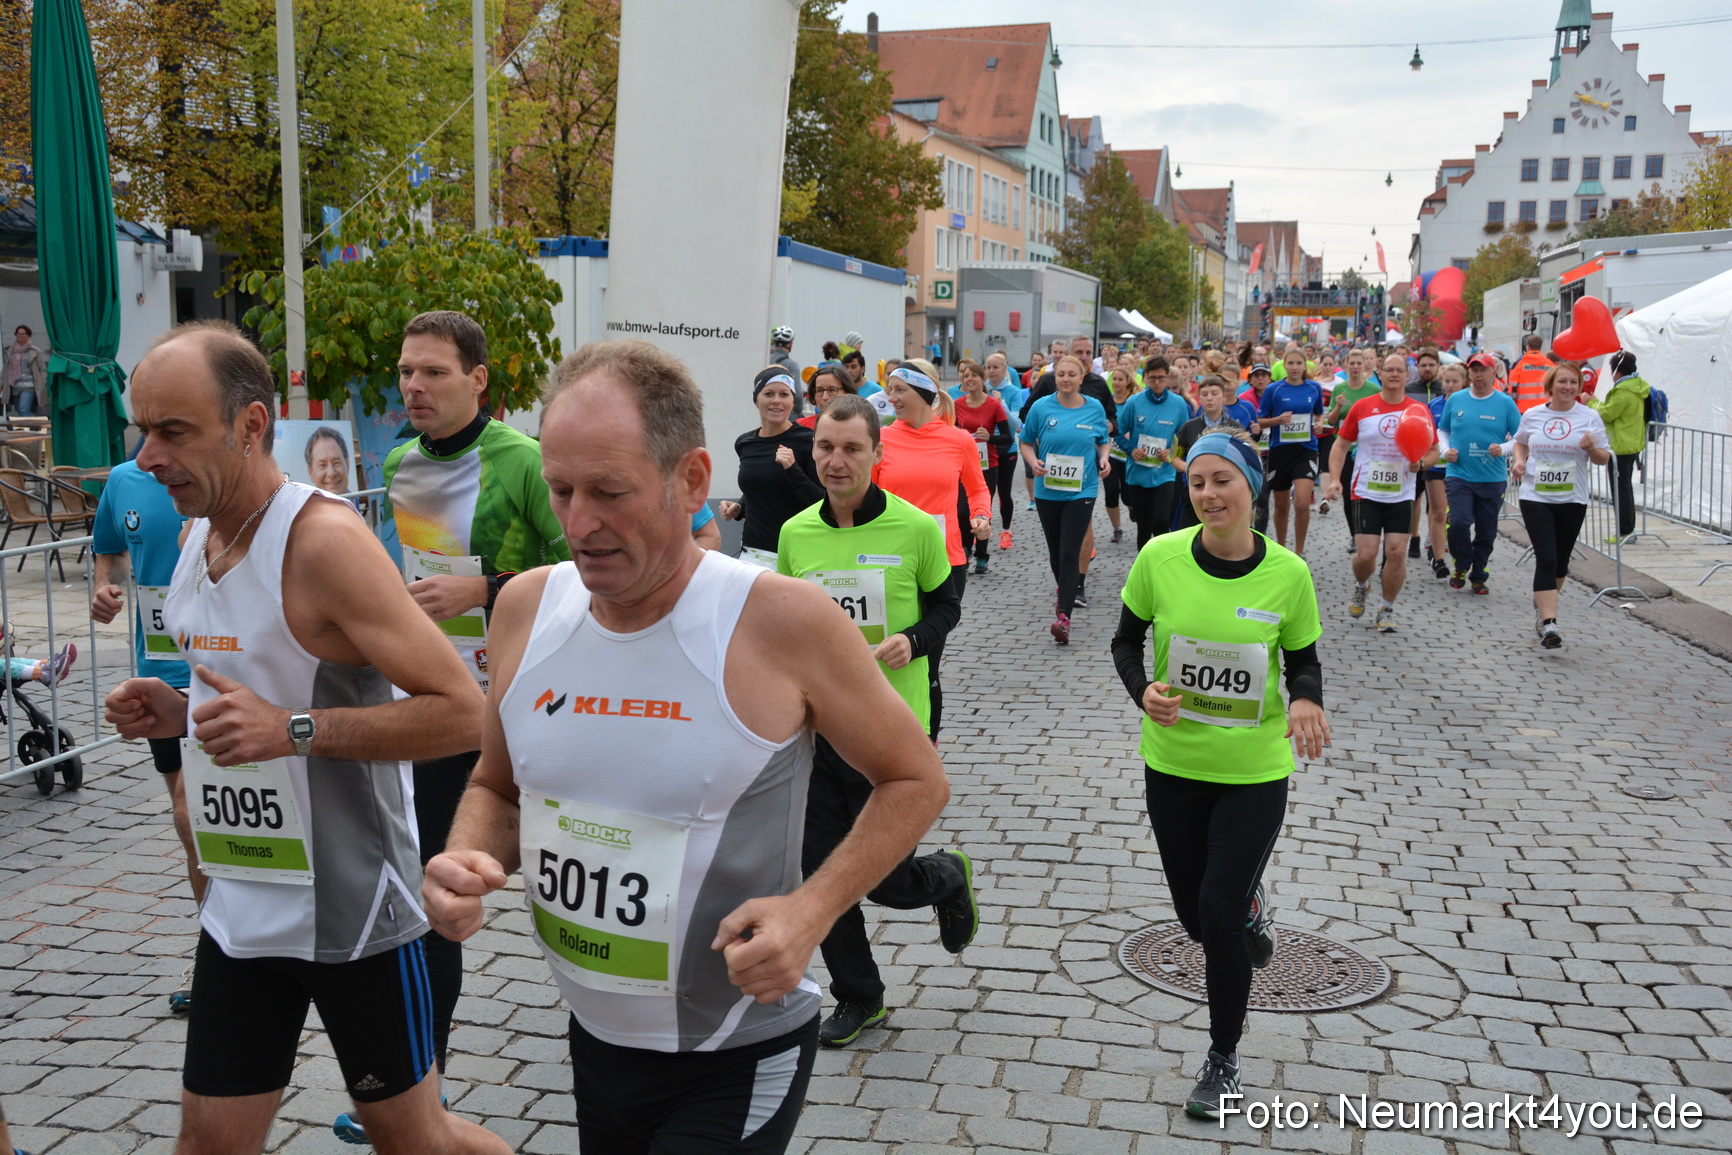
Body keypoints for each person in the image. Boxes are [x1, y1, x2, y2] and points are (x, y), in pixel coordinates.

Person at [420, 340, 951, 1153]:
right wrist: (466, 856)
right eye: (561, 489)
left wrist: (810, 911)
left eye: (611, 491)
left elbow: (916, 777)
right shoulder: (525, 608)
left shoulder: (780, 619)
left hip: (736, 1048)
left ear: (693, 480)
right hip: (595, 1038)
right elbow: (497, 785)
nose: (579, 523)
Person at [103, 319, 502, 1155]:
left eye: (173, 431)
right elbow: (253, 685)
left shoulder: (322, 541)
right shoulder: (197, 532)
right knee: (208, 1145)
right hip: (243, 903)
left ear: (251, 424)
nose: (147, 457)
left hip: (351, 909)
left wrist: (292, 730)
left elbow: (461, 710)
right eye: (142, 430)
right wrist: (177, 711)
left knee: (416, 1142)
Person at [363, 311, 571, 1140]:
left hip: (519, 706)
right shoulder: (397, 463)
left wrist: (484, 590)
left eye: (434, 372)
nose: (413, 386)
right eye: (406, 371)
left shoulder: (521, 460)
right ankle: (426, 1089)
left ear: (478, 379)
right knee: (427, 891)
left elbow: (579, 568)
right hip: (430, 706)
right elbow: (405, 580)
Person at [1111, 432, 1329, 1121]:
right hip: (1173, 764)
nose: (1208, 494)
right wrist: (1143, 689)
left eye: (1223, 481)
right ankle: (1249, 910)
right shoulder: (1159, 557)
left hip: (1253, 772)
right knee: (1195, 916)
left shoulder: (1288, 573)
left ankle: (1223, 1059)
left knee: (1217, 910)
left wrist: (1306, 699)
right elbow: (1124, 641)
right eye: (1198, 482)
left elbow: (1304, 661)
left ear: (1251, 489)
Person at [777, 394, 977, 1047]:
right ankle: (859, 996)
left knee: (886, 879)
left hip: (893, 729)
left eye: (851, 449)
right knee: (820, 870)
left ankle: (945, 877)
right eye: (825, 448)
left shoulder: (915, 529)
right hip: (818, 729)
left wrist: (912, 641)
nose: (836, 461)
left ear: (876, 454)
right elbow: (787, 628)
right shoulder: (795, 534)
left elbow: (947, 607)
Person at [91, 455, 199, 1013]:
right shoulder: (122, 480)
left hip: (225, 670)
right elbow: (109, 552)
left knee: (192, 814)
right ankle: (222, 945)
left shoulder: (221, 468)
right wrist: (105, 587)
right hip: (161, 675)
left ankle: (222, 955)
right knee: (195, 828)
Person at [874, 363, 990, 735]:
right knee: (887, 660)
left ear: (924, 394)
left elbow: (977, 488)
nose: (891, 397)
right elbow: (867, 497)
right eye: (889, 389)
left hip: (945, 563)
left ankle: (926, 746)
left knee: (927, 662)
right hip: (889, 562)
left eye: (899, 390)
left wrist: (981, 516)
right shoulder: (881, 439)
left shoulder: (959, 440)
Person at [1323, 354, 1439, 633]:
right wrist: (1335, 479)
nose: (1395, 374)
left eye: (1400, 370)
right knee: (1366, 556)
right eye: (1389, 370)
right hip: (1366, 492)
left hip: (1402, 494)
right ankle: (1362, 585)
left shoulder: (1418, 410)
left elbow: (1434, 449)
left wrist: (1422, 463)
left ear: (1407, 375)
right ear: (1380, 373)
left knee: (1396, 553)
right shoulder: (1363, 407)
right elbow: (1340, 445)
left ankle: (1386, 609)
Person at [1512, 362, 1612, 648]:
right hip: (1535, 496)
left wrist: (1591, 448)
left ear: (1579, 387)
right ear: (1551, 385)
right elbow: (1520, 442)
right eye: (1562, 382)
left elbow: (1604, 458)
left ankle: (1544, 603)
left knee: (1560, 561)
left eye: (1573, 382)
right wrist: (1519, 461)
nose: (1568, 387)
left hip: (1572, 498)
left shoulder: (1589, 417)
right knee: (1546, 557)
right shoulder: (1533, 414)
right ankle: (1549, 623)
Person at [1020, 354, 1111, 645]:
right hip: (1048, 489)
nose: (1066, 379)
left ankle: (1064, 617)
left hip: (1082, 490)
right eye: (1061, 374)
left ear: (1082, 377)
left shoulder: (1094, 408)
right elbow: (1025, 441)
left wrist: (1104, 459)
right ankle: (1065, 591)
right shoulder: (1041, 407)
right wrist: (1033, 462)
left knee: (1070, 552)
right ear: (1055, 377)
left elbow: (1103, 441)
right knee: (1056, 553)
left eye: (1072, 374)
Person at [717, 367, 825, 569]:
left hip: (795, 556)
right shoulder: (745, 443)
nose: (777, 400)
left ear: (792, 401)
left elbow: (823, 503)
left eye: (784, 394)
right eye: (768, 394)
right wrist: (739, 507)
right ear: (756, 400)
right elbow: (762, 485)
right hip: (752, 554)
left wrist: (792, 469)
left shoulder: (808, 441)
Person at [1438, 353, 1522, 594]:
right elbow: (1442, 430)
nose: (1478, 374)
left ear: (1493, 372)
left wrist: (1504, 449)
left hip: (1492, 477)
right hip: (1459, 474)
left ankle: (1478, 573)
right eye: (1474, 370)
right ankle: (1461, 564)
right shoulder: (1457, 399)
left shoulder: (1505, 403)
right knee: (1459, 522)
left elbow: (1520, 437)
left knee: (1486, 530)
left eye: (1483, 370)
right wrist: (1445, 450)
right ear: (1469, 374)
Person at [1115, 356, 1191, 549]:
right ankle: (1144, 563)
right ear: (1145, 377)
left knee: (1162, 521)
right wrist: (1131, 449)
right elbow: (1117, 432)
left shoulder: (1178, 404)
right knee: (1144, 526)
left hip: (1164, 473)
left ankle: (1161, 561)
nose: (1157, 382)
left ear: (1167, 377)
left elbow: (1183, 437)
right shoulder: (1134, 402)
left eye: (1161, 378)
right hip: (1138, 473)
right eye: (1153, 378)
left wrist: (1171, 453)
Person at [1257, 348, 1325, 557]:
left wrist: (1319, 424)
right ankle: (1282, 550)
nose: (1295, 367)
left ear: (1305, 365)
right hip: (1280, 451)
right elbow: (1260, 420)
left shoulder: (1314, 388)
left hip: (1306, 450)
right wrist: (1278, 420)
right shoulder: (1274, 389)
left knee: (1302, 503)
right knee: (1281, 505)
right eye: (1291, 363)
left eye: (1298, 363)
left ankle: (1299, 552)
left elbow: (1319, 414)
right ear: (1284, 365)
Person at [952, 359, 1013, 575]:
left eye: (974, 375)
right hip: (963, 464)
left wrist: (989, 437)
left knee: (982, 510)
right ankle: (966, 547)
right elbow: (949, 432)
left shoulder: (993, 405)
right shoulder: (957, 405)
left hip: (987, 465)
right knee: (962, 510)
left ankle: (981, 556)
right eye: (966, 375)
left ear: (982, 379)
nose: (969, 379)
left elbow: (1008, 436)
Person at [1321, 350, 1380, 544]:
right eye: (1351, 363)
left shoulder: (1373, 389)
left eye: (1358, 363)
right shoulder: (1339, 389)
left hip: (1366, 450)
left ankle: (1365, 531)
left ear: (1364, 365)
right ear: (1345, 366)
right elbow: (1330, 421)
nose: (1355, 367)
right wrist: (1338, 406)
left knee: (1366, 494)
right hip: (1344, 449)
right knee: (1348, 495)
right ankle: (1355, 535)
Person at [1593, 350, 1651, 544]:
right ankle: (1627, 529)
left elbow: (1607, 414)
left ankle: (1626, 531)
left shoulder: (1624, 390)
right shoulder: (1638, 386)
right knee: (1624, 487)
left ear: (1616, 371)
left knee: (1620, 489)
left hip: (1620, 445)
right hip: (1631, 443)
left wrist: (1591, 402)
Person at [983, 352, 1024, 550]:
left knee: (1004, 491)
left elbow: (1016, 425)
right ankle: (982, 530)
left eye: (995, 367)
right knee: (984, 492)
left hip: (1007, 448)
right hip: (985, 447)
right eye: (988, 367)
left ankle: (1006, 531)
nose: (991, 371)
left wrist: (1001, 403)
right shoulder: (982, 389)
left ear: (1004, 369)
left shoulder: (1013, 392)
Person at [1103, 366, 1136, 543]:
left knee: (1127, 494)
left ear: (1127, 381)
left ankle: (1132, 506)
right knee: (1111, 492)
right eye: (1114, 379)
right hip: (1110, 455)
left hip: (1129, 455)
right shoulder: (1107, 402)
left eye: (1120, 379)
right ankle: (1117, 528)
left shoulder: (1133, 402)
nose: (1116, 383)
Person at [3, 324, 47, 417]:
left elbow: (42, 369)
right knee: (19, 409)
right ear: (15, 335)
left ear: (28, 335)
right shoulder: (10, 351)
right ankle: (32, 423)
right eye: (19, 334)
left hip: (29, 386)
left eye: (24, 334)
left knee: (24, 409)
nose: (21, 336)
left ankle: (33, 425)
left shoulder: (34, 351)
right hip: (14, 385)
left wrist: (44, 382)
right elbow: (6, 369)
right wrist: (1, 383)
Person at [303, 425, 352, 497]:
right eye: (322, 465)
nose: (331, 473)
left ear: (347, 464)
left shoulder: (366, 502)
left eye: (336, 463)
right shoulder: (300, 504)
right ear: (311, 473)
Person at [1509, 335, 1552, 413]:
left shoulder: (1519, 365)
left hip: (1524, 408)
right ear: (1540, 347)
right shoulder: (1550, 365)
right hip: (1545, 407)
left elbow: (1512, 386)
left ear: (1528, 346)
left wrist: (1513, 402)